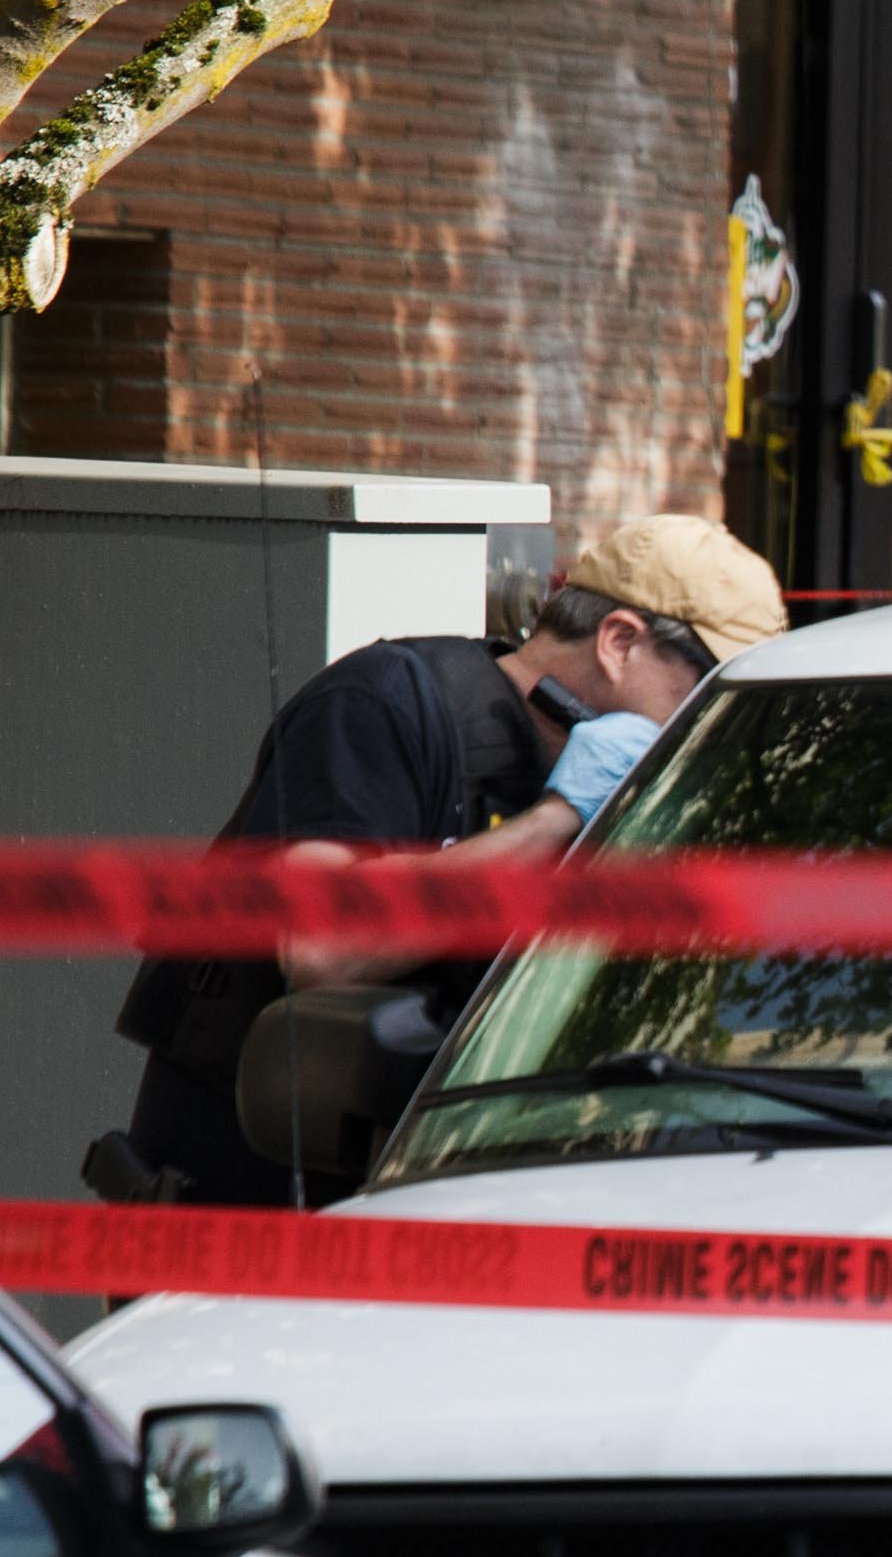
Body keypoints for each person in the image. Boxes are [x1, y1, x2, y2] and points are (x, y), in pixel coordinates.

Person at [94, 513, 786, 1206]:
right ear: (619, 643)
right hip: (248, 1208)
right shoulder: (388, 704)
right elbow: (322, 945)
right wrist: (557, 822)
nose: (714, 728)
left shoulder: (633, 792)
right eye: (706, 693)